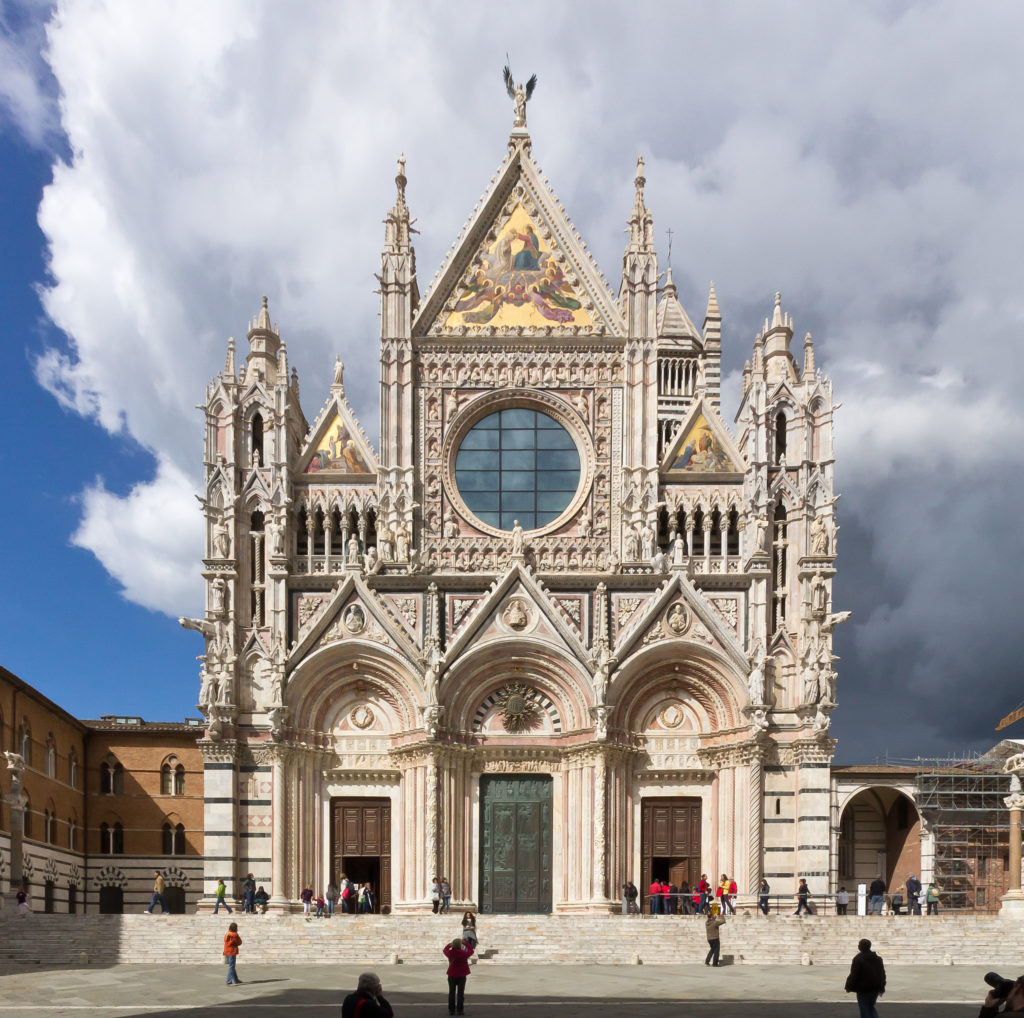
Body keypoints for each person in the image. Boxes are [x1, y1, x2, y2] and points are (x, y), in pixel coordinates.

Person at [844, 937, 886, 1018]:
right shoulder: (878, 959)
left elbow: (854, 975)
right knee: (871, 1007)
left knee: (865, 1010)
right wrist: (882, 986)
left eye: (859, 945)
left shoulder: (858, 959)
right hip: (875, 988)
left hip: (863, 989)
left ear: (860, 947)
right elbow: (882, 974)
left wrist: (848, 986)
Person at [443, 936, 475, 1015]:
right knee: (460, 994)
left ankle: (451, 1010)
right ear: (460, 945)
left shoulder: (450, 953)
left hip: (452, 975)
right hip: (462, 975)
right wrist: (466, 944)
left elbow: (444, 950)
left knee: (451, 993)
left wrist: (449, 945)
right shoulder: (464, 953)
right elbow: (471, 951)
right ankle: (460, 1010)